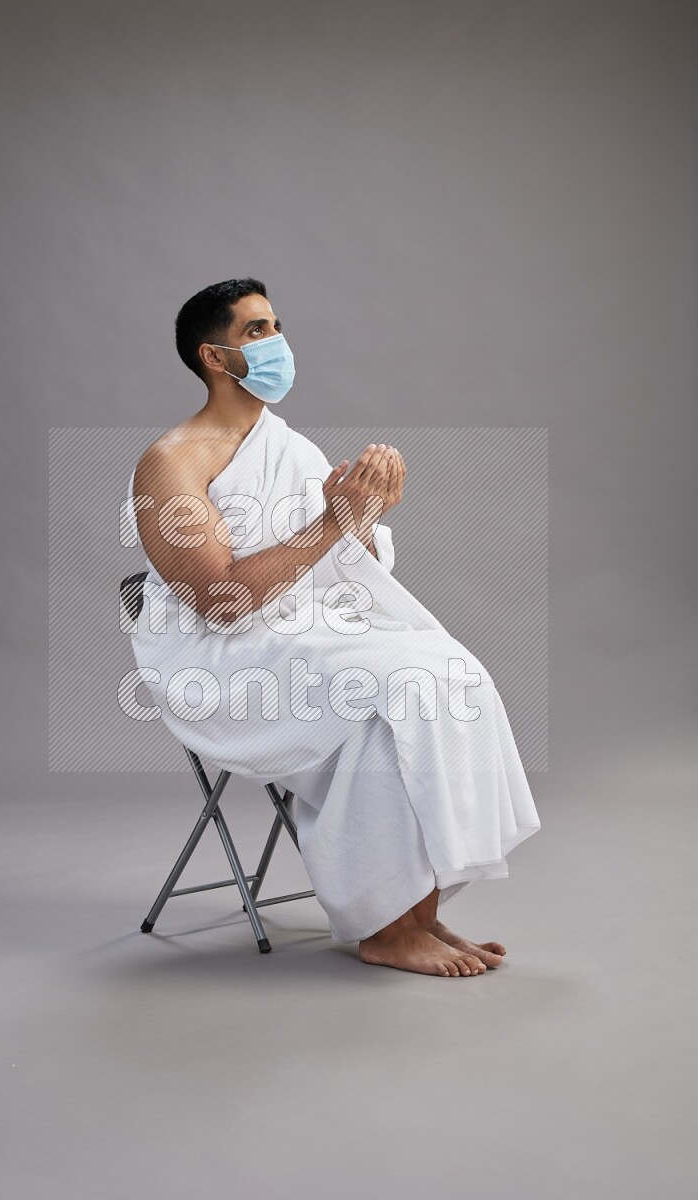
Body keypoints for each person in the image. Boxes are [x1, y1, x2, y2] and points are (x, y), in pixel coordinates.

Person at [127, 277, 541, 978]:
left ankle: (419, 912)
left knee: (449, 670)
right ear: (214, 357)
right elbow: (221, 600)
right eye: (257, 331)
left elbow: (346, 565)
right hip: (221, 659)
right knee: (394, 688)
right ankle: (385, 926)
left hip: (303, 630)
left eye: (276, 325)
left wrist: (364, 512)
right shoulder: (170, 463)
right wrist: (333, 522)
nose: (277, 341)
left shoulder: (287, 445)